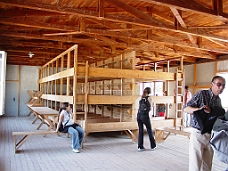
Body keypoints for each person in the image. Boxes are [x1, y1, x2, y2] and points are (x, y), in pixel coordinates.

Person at [184, 76, 226, 171]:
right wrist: (199, 110)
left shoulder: (218, 100)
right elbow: (186, 108)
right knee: (195, 166)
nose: (221, 88)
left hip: (211, 135)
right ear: (212, 84)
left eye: (223, 86)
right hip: (198, 134)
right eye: (219, 85)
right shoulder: (202, 94)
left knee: (207, 166)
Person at [136, 87, 156, 151]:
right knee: (149, 130)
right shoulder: (149, 98)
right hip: (145, 116)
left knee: (140, 131)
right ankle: (153, 146)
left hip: (139, 115)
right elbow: (150, 107)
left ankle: (140, 146)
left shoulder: (140, 98)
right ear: (149, 92)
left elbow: (137, 106)